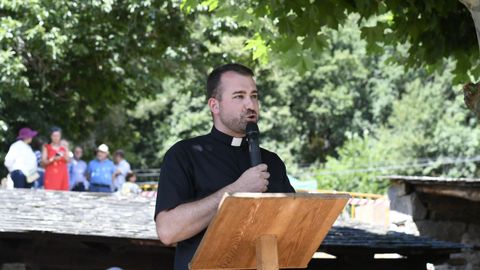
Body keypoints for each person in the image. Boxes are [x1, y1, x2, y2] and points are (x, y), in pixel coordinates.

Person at [154, 63, 295, 270]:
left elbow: (293, 228)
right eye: (239, 96)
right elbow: (168, 231)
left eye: (254, 95)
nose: (251, 104)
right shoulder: (184, 154)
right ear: (215, 105)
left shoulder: (272, 161)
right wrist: (236, 191)